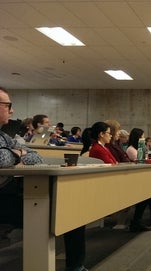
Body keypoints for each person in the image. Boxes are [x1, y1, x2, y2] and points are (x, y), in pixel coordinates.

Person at [0, 87, 86, 271]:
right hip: (4, 198)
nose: (12, 110)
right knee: (56, 210)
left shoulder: (4, 137)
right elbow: (1, 159)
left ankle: (76, 266)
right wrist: (18, 154)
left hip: (11, 192)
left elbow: (37, 156)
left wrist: (16, 153)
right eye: (8, 105)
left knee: (72, 208)